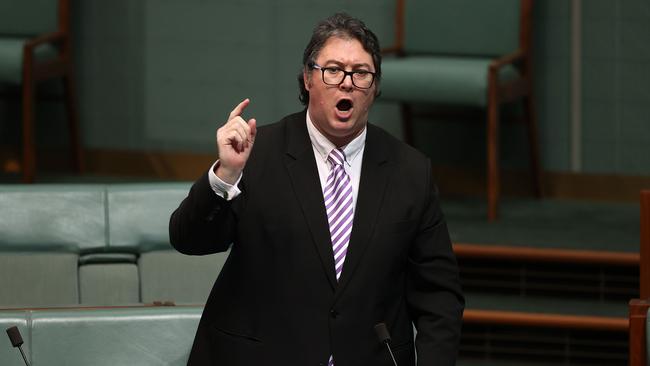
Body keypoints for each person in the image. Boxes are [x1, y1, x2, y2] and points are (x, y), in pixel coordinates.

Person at [169, 13, 464, 366]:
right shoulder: (258, 154)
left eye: (361, 73)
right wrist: (226, 174)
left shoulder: (410, 171)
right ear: (309, 79)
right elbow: (189, 240)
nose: (347, 83)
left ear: (374, 88)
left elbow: (439, 297)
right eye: (333, 70)